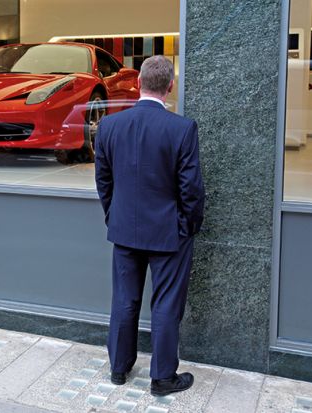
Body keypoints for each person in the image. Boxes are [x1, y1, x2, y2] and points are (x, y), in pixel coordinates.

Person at [94, 55, 205, 397]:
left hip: (126, 228)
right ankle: (162, 378)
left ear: (138, 83)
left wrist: (114, 216)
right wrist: (187, 225)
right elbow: (191, 188)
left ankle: (118, 369)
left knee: (124, 300)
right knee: (166, 304)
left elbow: (104, 181)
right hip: (168, 231)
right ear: (170, 86)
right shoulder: (181, 128)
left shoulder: (110, 126)